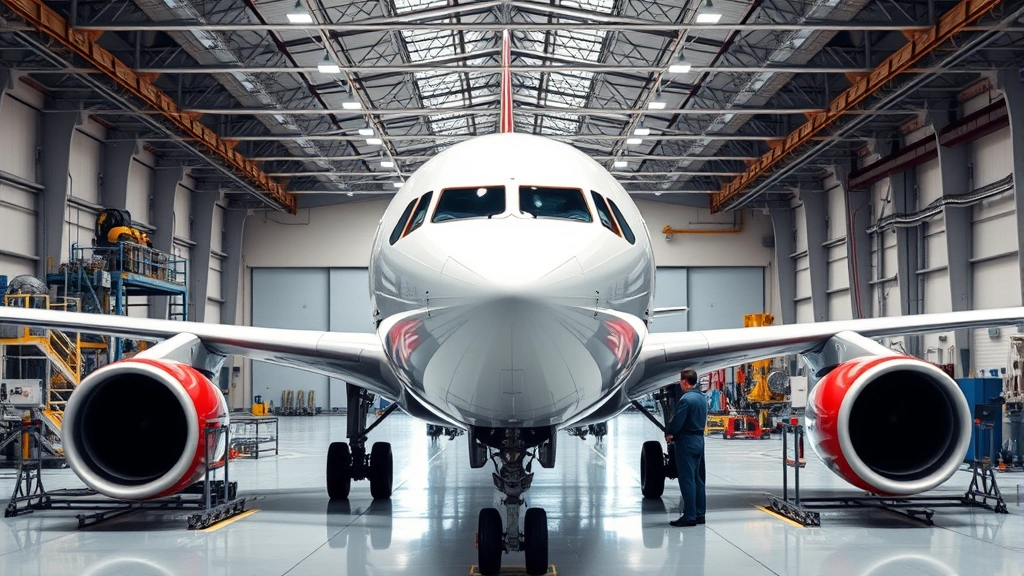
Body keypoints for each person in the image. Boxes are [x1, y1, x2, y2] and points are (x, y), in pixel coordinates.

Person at [664, 368, 708, 527]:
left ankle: (689, 515)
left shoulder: (686, 400)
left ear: (684, 381)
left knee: (687, 479)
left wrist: (670, 433)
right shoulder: (702, 398)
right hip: (699, 439)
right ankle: (700, 513)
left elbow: (678, 421)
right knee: (698, 478)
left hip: (687, 441)